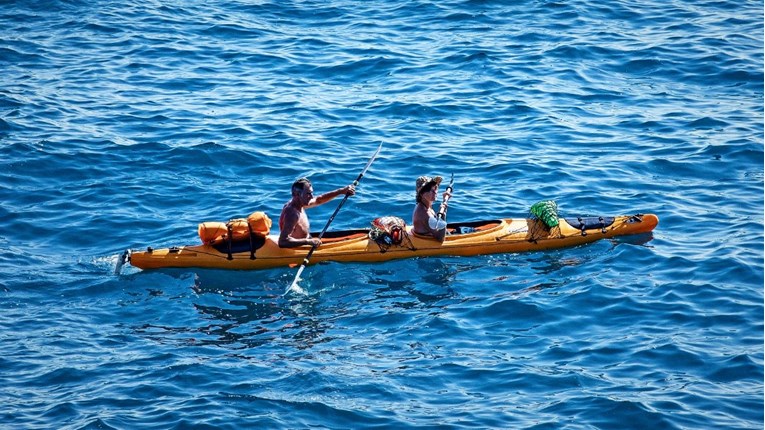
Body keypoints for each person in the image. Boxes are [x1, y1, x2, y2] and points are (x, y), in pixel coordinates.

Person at [278, 177, 356, 248]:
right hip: (299, 248)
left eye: (312, 193)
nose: (312, 196)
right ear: (298, 194)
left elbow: (319, 199)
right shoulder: (292, 214)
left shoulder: (299, 203)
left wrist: (341, 191)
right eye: (308, 194)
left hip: (307, 240)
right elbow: (282, 242)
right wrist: (308, 242)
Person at [412, 175, 452, 242]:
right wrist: (443, 215)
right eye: (429, 190)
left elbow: (435, 224)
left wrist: (444, 200)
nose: (434, 192)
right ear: (421, 194)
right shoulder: (424, 213)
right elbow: (441, 239)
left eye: (435, 188)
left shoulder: (425, 205)